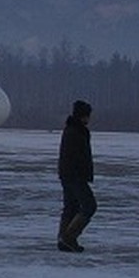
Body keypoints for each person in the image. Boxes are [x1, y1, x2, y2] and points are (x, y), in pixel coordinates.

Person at [57, 99, 97, 253]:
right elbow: (78, 157)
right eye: (87, 115)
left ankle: (63, 239)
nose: (89, 118)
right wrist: (83, 174)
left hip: (67, 175)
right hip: (75, 176)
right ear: (83, 116)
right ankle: (69, 237)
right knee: (89, 206)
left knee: (71, 207)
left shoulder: (71, 129)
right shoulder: (77, 131)